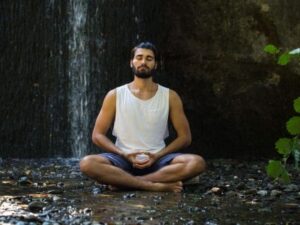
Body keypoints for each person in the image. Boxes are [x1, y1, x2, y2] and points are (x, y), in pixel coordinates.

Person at [80, 42, 206, 192]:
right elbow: (97, 135)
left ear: (156, 64)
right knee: (87, 163)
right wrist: (124, 154)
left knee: (196, 163)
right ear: (131, 62)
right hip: (123, 158)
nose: (143, 62)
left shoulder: (170, 96)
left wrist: (157, 155)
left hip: (158, 159)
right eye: (139, 57)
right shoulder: (115, 95)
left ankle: (125, 182)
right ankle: (153, 186)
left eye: (149, 58)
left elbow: (185, 137)